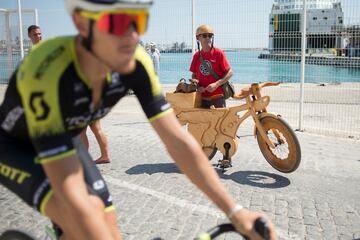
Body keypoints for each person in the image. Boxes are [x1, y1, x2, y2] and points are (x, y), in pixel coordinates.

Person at [0, 0, 277, 239]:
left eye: (137, 21)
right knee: (81, 218)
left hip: (64, 138)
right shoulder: (47, 72)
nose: (131, 36)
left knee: (108, 225)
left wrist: (236, 211)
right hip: (17, 148)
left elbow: (177, 142)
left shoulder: (135, 62)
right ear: (81, 24)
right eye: (117, 23)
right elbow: (71, 195)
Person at [190, 24, 233, 108]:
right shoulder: (196, 56)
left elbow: (230, 72)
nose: (207, 38)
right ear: (198, 38)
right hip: (202, 98)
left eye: (210, 36)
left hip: (218, 97)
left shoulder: (219, 53)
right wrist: (198, 86)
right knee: (202, 121)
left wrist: (216, 84)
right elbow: (194, 75)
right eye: (204, 36)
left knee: (219, 121)